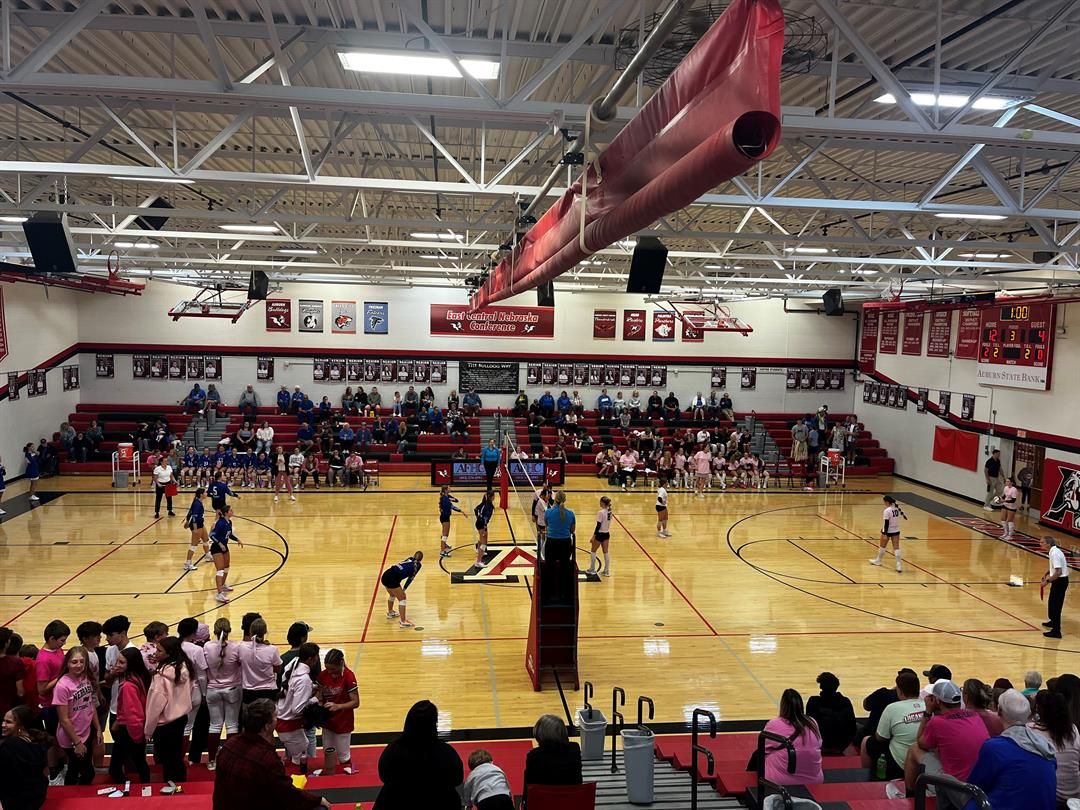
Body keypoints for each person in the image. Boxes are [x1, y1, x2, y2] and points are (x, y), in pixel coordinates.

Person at [212, 698, 328, 810]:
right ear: (267, 726)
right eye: (275, 717)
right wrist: (318, 800)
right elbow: (288, 794)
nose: (277, 719)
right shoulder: (266, 759)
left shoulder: (228, 745)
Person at [964, 689, 1055, 810]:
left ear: (999, 711)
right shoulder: (1045, 746)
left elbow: (975, 785)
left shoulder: (994, 748)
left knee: (956, 790)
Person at [902, 680, 988, 805]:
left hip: (955, 788)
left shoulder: (937, 722)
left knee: (914, 749)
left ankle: (911, 799)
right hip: (978, 785)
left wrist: (928, 712)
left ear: (937, 701)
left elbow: (920, 742)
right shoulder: (974, 716)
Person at [374, 700, 463, 810]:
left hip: (397, 801)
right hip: (440, 802)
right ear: (434, 724)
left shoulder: (393, 749)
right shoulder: (446, 752)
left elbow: (384, 776)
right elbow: (457, 779)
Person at [145, 637, 194, 792]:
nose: (155, 652)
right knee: (176, 755)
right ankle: (181, 784)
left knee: (167, 758)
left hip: (165, 722)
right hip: (180, 717)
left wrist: (148, 730)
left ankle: (171, 785)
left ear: (169, 653)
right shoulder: (184, 667)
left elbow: (155, 705)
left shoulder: (161, 676)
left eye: (159, 650)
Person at [861, 669, 923, 781]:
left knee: (866, 741)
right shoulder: (928, 706)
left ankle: (868, 777)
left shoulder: (892, 708)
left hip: (900, 764)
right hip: (924, 763)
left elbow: (880, 737)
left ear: (899, 691)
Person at [52, 646, 101, 785]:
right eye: (74, 662)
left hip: (86, 731)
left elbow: (90, 705)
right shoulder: (62, 686)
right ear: (67, 663)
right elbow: (64, 719)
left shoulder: (85, 677)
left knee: (74, 768)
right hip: (72, 737)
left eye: (82, 661)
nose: (79, 665)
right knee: (87, 772)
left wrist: (97, 728)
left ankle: (72, 795)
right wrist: (77, 743)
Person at [753, 689, 823, 786]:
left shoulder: (775, 724)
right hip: (814, 780)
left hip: (780, 781)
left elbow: (764, 748)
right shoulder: (812, 722)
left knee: (760, 755)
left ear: (783, 706)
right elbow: (819, 744)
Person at [1029, 689, 1080, 806]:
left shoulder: (1032, 730)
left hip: (1051, 798)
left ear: (1041, 711)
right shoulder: (1073, 730)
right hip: (1074, 796)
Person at [313, 648, 358, 776]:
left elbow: (356, 702)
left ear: (341, 663)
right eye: (328, 669)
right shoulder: (323, 675)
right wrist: (319, 703)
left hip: (343, 722)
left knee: (343, 756)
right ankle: (331, 780)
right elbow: (320, 694)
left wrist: (338, 706)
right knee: (328, 752)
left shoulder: (349, 676)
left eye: (333, 669)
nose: (330, 672)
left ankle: (348, 779)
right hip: (328, 722)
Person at [109, 647, 151, 783]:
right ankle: (144, 784)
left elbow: (134, 714)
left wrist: (137, 736)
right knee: (139, 761)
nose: (117, 665)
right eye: (117, 662)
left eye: (122, 663)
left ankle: (129, 790)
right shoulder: (138, 677)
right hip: (132, 728)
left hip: (130, 731)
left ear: (131, 664)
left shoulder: (128, 686)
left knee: (116, 767)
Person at [522, 714, 582, 807]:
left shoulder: (534, 756)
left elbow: (530, 787)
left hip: (545, 804)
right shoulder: (575, 748)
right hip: (572, 803)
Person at [276, 642, 319, 767]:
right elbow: (297, 709)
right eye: (316, 656)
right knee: (299, 763)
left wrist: (312, 687)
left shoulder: (293, 665)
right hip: (290, 725)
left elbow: (292, 689)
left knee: (295, 758)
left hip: (283, 721)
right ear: (311, 658)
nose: (317, 659)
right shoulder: (304, 679)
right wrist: (315, 699)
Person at [0, 705, 48, 810]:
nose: (3, 725)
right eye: (3, 721)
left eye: (8, 722)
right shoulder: (37, 740)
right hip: (38, 795)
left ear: (21, 725)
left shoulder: (9, 746)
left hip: (16, 799)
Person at [807, 672, 856, 755]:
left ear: (821, 686)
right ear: (836, 686)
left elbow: (808, 725)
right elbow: (852, 728)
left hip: (819, 744)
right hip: (839, 746)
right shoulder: (845, 702)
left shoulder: (813, 702)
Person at [239, 618, 281, 705]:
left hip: (248, 692)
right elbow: (278, 669)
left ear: (250, 632)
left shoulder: (241, 647)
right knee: (268, 718)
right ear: (265, 632)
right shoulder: (272, 649)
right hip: (268, 691)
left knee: (249, 718)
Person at [210, 504, 243, 603]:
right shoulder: (220, 523)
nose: (232, 512)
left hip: (224, 546)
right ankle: (219, 594)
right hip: (217, 548)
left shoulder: (229, 522)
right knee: (220, 570)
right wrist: (220, 544)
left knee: (227, 566)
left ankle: (223, 585)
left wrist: (237, 539)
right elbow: (211, 535)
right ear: (226, 513)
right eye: (231, 510)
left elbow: (229, 534)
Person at [382, 552, 424, 628]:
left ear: (414, 556)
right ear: (421, 560)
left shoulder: (410, 558)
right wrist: (404, 589)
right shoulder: (417, 565)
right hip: (393, 578)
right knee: (402, 598)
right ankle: (403, 621)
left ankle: (390, 613)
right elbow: (410, 579)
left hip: (386, 574)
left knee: (392, 594)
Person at [1042, 535, 1069, 639]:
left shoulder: (1055, 554)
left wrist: (1047, 581)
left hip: (1060, 581)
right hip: (1058, 580)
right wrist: (1048, 572)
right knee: (1052, 603)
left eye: (1042, 542)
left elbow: (1059, 572)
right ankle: (1053, 622)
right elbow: (1056, 567)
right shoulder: (1053, 551)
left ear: (1049, 544)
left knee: (1056, 606)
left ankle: (1056, 631)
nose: (1040, 544)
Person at [870, 495, 906, 573]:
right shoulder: (896, 508)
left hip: (888, 530)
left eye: (884, 502)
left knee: (882, 546)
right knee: (896, 547)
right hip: (896, 530)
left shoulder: (887, 510)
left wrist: (885, 533)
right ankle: (899, 565)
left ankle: (878, 560)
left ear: (887, 502)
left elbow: (886, 523)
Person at [543, 490, 575, 564]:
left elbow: (547, 525)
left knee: (550, 567)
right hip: (565, 543)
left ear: (555, 499)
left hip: (551, 543)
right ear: (565, 500)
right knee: (564, 567)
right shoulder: (571, 513)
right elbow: (572, 530)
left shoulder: (548, 512)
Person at [587, 496, 613, 577]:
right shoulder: (610, 512)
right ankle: (606, 571)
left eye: (600, 502)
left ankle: (592, 569)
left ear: (602, 503)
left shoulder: (600, 512)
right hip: (606, 534)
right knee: (606, 552)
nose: (599, 503)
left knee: (593, 551)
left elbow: (598, 526)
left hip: (600, 534)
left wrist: (593, 536)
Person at [438, 485, 463, 559]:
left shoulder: (446, 497)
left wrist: (450, 499)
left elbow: (456, 500)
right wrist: (461, 511)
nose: (450, 489)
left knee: (445, 533)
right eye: (449, 488)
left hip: (444, 517)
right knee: (445, 534)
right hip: (445, 517)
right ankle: (442, 551)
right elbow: (452, 507)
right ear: (446, 490)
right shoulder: (445, 499)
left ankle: (444, 545)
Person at [473, 490, 495, 568]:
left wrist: (478, 518)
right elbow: (485, 518)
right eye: (494, 496)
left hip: (479, 523)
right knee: (484, 543)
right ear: (491, 497)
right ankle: (478, 562)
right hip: (482, 524)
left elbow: (475, 509)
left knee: (482, 540)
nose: (494, 497)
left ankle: (478, 551)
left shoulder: (484, 503)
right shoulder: (489, 506)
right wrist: (485, 529)